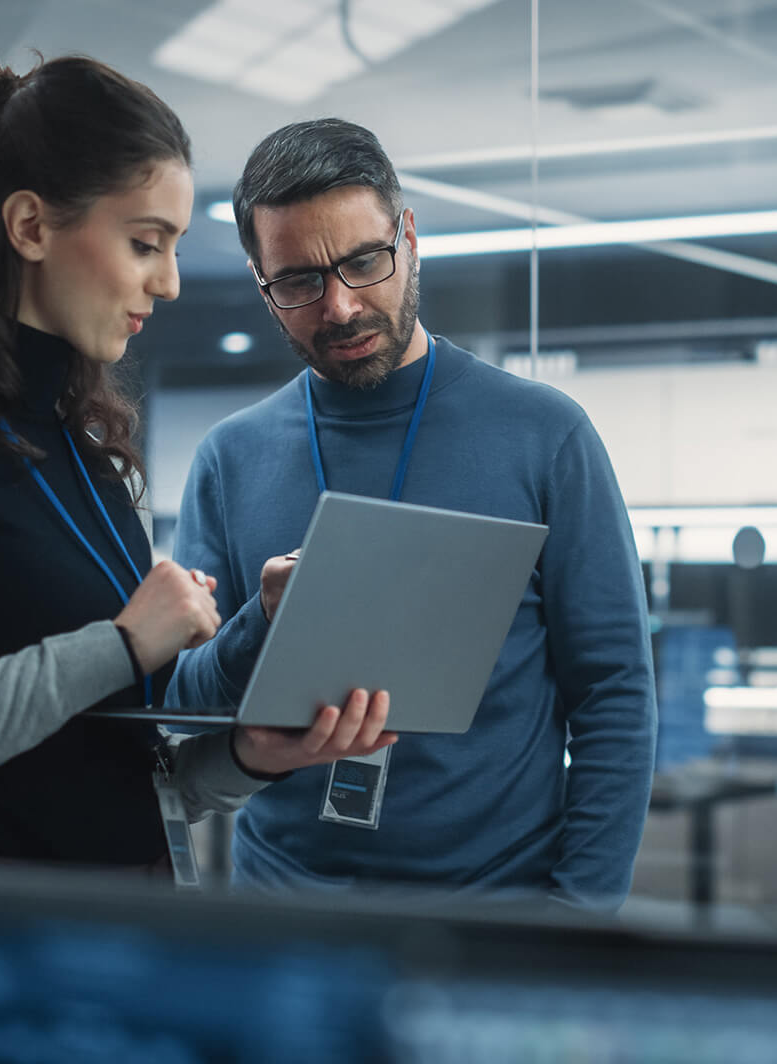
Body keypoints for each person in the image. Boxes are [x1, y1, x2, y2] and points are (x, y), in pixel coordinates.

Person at [0, 60, 394, 873]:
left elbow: (126, 772)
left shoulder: (97, 460)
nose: (171, 282)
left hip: (124, 947)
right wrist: (117, 646)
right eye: (146, 243)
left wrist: (251, 755)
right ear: (31, 226)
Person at [166, 118, 657, 909]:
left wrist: (580, 913)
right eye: (297, 281)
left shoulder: (544, 435)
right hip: (286, 917)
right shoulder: (232, 458)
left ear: (410, 238)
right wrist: (262, 620)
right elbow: (186, 705)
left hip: (497, 916)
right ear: (262, 284)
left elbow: (614, 693)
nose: (340, 305)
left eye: (365, 261)